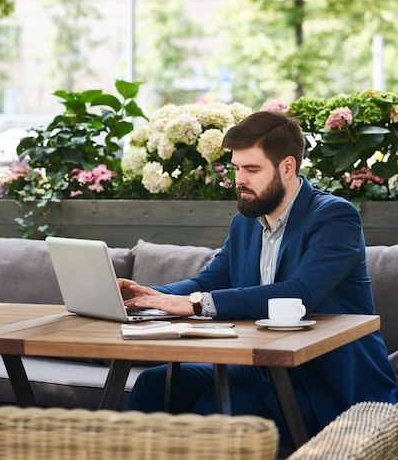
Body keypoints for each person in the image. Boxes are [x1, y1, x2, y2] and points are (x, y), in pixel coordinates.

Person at [119, 110, 398, 446]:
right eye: (237, 168)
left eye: (252, 169)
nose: (240, 179)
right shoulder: (246, 223)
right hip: (267, 368)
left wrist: (194, 305)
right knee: (155, 384)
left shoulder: (335, 217)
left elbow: (299, 294)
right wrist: (146, 296)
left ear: (288, 167)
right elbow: (209, 281)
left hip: (330, 383)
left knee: (219, 407)